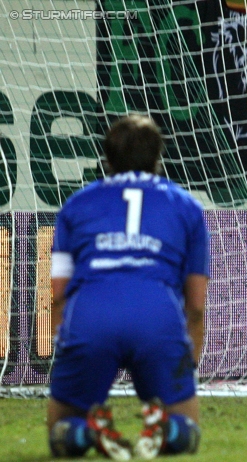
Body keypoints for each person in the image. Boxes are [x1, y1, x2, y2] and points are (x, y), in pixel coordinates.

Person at [47, 115, 209, 460]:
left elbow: (58, 294)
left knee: (59, 436)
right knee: (188, 433)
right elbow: (195, 306)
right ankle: (169, 426)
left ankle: (88, 430)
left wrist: (70, 351)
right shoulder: (187, 208)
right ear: (157, 159)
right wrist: (185, 368)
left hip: (91, 315)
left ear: (107, 160)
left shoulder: (75, 205)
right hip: (157, 317)